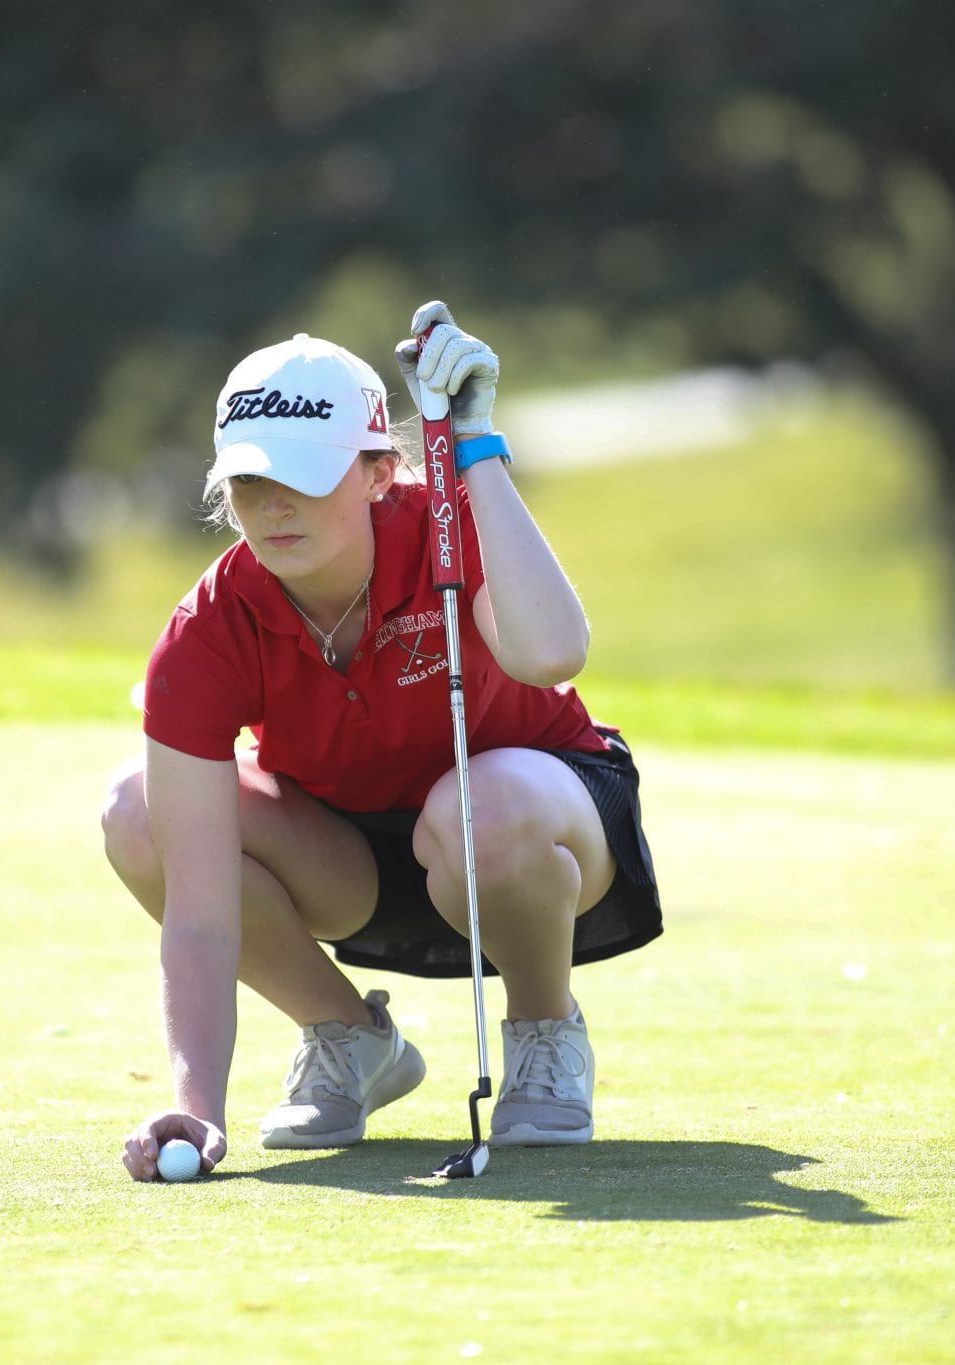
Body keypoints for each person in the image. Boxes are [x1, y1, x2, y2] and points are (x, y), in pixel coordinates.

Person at [102, 301, 661, 1181]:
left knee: (481, 807)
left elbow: (555, 654)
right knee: (138, 813)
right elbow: (202, 913)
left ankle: (547, 1030)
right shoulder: (208, 628)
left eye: (307, 476)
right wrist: (197, 1105)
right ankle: (348, 1038)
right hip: (347, 851)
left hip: (534, 823)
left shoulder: (446, 521)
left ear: (376, 472)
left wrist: (476, 447)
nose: (275, 506)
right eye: (250, 482)